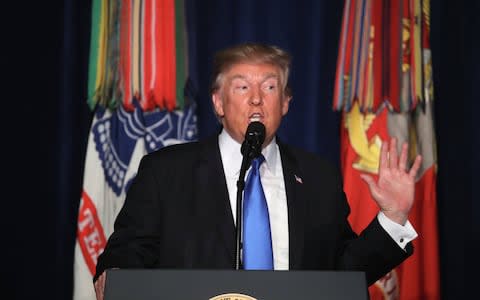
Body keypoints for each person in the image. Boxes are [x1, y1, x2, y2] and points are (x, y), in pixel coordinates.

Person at [93, 43, 421, 299]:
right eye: (241, 87)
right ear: (218, 103)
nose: (256, 100)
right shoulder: (166, 171)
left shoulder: (318, 176)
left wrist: (393, 218)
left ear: (286, 103)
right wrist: (115, 271)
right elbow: (129, 250)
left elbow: (344, 275)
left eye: (269, 87)